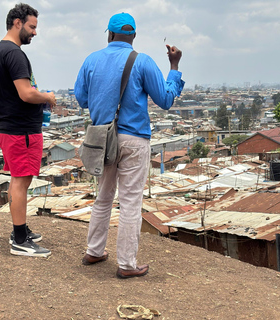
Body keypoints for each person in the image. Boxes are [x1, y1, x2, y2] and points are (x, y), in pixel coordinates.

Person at [74, 13, 184, 278]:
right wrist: (175, 66)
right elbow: (166, 100)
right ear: (133, 36)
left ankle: (95, 250)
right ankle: (126, 264)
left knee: (103, 197)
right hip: (134, 139)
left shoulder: (91, 60)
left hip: (104, 138)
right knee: (130, 202)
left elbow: (81, 98)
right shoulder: (143, 61)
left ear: (109, 35)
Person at [0, 3, 56, 257]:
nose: (35, 33)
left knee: (20, 179)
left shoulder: (3, 50)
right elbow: (26, 93)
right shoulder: (14, 53)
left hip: (14, 128)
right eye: (32, 27)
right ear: (17, 23)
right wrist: (47, 96)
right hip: (20, 131)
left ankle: (21, 229)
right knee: (20, 181)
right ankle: (19, 239)